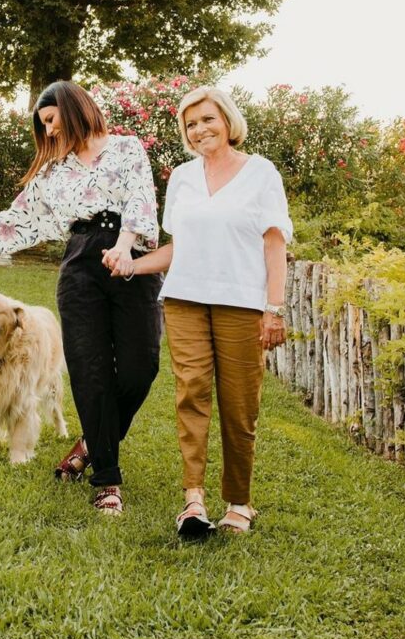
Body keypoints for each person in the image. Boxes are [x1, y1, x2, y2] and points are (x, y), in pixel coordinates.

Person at [0, 81, 163, 516]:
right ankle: (107, 480)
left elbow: (141, 198)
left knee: (141, 367)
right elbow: (15, 220)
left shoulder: (126, 148)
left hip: (133, 263)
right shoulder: (52, 173)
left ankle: (89, 445)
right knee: (90, 374)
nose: (48, 131)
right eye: (43, 125)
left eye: (50, 120)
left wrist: (125, 247)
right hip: (81, 267)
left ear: (73, 107)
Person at [109, 86, 291, 536]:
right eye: (190, 124)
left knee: (239, 404)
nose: (199, 129)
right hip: (184, 299)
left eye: (208, 119)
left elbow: (274, 243)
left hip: (241, 303)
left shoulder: (261, 173)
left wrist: (274, 308)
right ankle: (194, 500)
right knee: (190, 393)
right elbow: (180, 248)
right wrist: (131, 264)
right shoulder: (183, 178)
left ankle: (239, 502)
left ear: (227, 121)